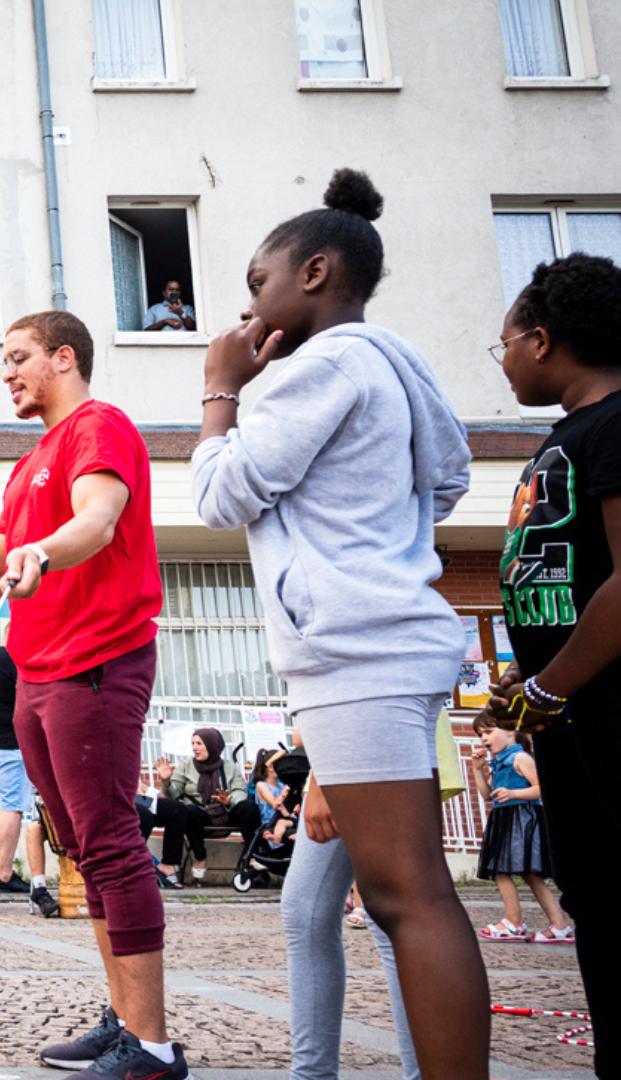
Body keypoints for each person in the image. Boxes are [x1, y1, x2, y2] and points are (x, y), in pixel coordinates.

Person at [190, 169, 487, 1079]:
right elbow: (448, 478)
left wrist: (219, 387)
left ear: (315, 273)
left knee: (408, 900)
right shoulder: (391, 362)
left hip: (358, 649)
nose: (249, 309)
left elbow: (216, 492)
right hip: (386, 641)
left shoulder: (315, 369)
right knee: (412, 895)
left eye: (256, 283)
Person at [0, 309, 181, 1078]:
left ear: (62, 358)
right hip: (38, 672)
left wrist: (41, 550)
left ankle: (152, 1045)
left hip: (96, 661)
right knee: (82, 850)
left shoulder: (97, 427)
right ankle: (125, 1019)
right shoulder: (28, 461)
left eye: (18, 358)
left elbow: (99, 521)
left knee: (110, 843)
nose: (6, 373)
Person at [487, 251, 621, 1072]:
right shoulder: (559, 442)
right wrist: (528, 678)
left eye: (501, 343)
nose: (500, 360)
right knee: (597, 898)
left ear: (541, 341)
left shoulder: (612, 426)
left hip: (604, 709)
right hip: (567, 713)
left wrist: (544, 685)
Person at [283, 741, 422, 1080]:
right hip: (349, 748)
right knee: (306, 911)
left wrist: (321, 779)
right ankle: (311, 1076)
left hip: (362, 746)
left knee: (390, 915)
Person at [469, 714, 571, 943]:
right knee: (528, 874)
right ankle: (559, 927)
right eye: (480, 734)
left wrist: (514, 793)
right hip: (505, 816)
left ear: (509, 730)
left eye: (488, 731)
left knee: (502, 869)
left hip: (522, 816)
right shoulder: (499, 761)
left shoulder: (519, 758)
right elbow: (488, 796)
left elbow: (541, 789)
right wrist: (477, 769)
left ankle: (514, 923)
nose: (483, 738)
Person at [0, 646, 55, 915]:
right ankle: (4, 876)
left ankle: (5, 874)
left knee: (13, 804)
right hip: (7, 744)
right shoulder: (15, 658)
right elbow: (33, 696)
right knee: (13, 806)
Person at [154, 729, 263, 883]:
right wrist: (166, 781)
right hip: (200, 815)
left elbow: (239, 791)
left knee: (249, 807)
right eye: (193, 743)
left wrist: (229, 801)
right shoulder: (185, 766)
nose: (194, 747)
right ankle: (200, 857)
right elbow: (173, 795)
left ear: (212, 746)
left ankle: (253, 855)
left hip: (226, 811)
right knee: (188, 811)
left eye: (199, 743)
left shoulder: (229, 767)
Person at [251, 749, 295, 851]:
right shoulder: (261, 785)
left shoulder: (281, 785)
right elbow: (275, 803)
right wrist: (285, 793)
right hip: (270, 824)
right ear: (271, 767)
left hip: (284, 821)